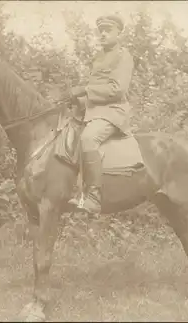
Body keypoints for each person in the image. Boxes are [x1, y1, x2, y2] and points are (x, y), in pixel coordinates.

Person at [64, 14, 135, 215]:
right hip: (93, 112)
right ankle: (74, 190)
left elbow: (117, 89)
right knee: (66, 135)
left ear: (119, 33)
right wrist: (77, 99)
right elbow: (95, 91)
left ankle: (94, 197)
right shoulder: (98, 58)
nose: (102, 34)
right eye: (100, 31)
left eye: (107, 30)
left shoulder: (124, 56)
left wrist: (85, 90)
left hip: (114, 113)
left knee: (88, 138)